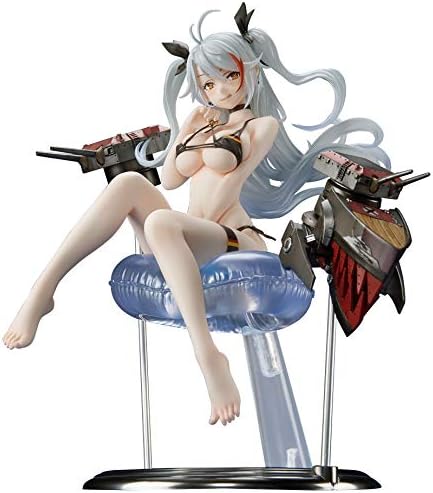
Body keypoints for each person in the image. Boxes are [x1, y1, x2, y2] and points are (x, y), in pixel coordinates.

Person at [1, 3, 388, 426]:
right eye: (208, 83)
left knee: (160, 221)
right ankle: (43, 290)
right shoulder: (197, 121)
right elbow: (169, 179)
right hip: (184, 234)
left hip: (231, 236)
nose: (220, 90)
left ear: (250, 72)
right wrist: (187, 132)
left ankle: (209, 358)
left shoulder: (259, 127)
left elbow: (229, 175)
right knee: (128, 184)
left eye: (229, 76)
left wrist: (209, 138)